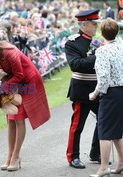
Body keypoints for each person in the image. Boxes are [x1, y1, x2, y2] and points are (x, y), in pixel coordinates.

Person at [0, 28, 50, 171]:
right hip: (10, 82)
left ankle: (16, 156)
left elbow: (20, 75)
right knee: (10, 118)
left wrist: (1, 89)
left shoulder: (9, 51)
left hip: (27, 81)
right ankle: (9, 156)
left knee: (18, 117)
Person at [65, 9, 101, 169]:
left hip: (99, 88)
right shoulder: (73, 42)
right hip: (82, 90)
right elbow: (75, 65)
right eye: (94, 24)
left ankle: (96, 152)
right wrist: (97, 56)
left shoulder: (99, 40)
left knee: (104, 121)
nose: (96, 27)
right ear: (84, 24)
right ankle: (73, 156)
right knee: (78, 125)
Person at [89, 18, 123, 177]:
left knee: (104, 130)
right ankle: (121, 162)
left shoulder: (102, 51)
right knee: (116, 130)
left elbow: (103, 78)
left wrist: (94, 93)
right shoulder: (121, 44)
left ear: (101, 33)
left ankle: (104, 167)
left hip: (112, 93)